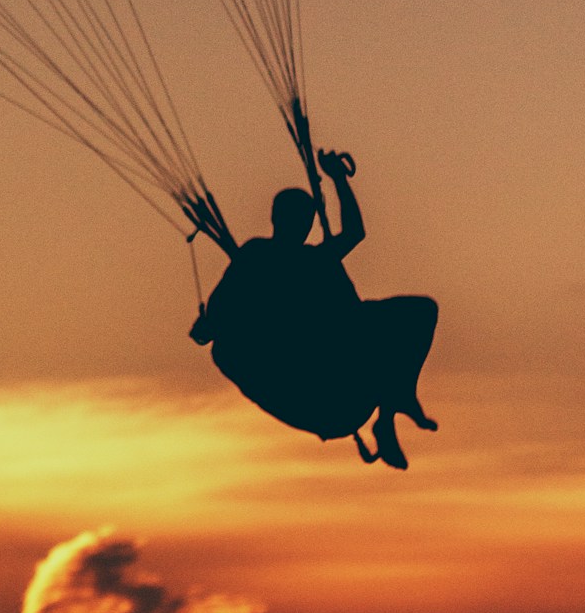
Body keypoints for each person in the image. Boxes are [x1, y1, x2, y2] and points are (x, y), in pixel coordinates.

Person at [188, 149, 438, 467]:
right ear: (279, 221)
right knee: (227, 349)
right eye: (300, 220)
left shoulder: (311, 260)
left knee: (421, 311)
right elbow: (218, 322)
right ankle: (389, 409)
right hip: (311, 391)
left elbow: (354, 234)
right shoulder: (257, 258)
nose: (303, 227)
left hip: (345, 385)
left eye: (305, 221)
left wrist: (337, 179)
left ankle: (388, 415)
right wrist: (211, 327)